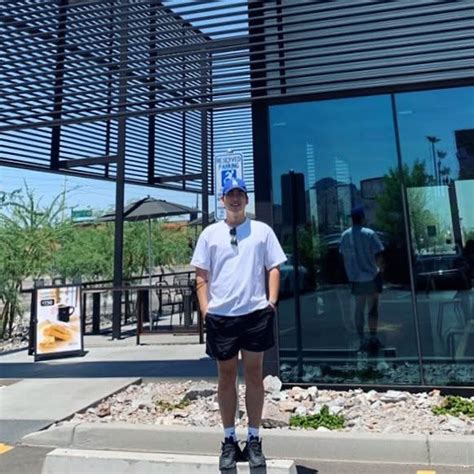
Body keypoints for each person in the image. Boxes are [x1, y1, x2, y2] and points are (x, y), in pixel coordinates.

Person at [191, 177, 286, 470]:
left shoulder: (262, 231)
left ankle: (254, 439)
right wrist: (206, 311)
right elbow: (201, 275)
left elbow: (273, 267)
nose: (235, 199)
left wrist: (271, 301)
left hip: (255, 314)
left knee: (255, 376)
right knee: (226, 377)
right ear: (222, 200)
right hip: (221, 317)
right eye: (230, 195)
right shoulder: (210, 234)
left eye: (240, 194)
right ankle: (229, 439)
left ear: (246, 199)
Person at [339, 205, 385, 354]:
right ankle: (373, 336)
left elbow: (343, 256)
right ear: (363, 218)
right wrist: (380, 270)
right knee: (373, 309)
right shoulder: (369, 233)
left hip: (356, 278)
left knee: (358, 310)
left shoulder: (345, 236)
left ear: (352, 219)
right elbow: (379, 254)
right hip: (371, 276)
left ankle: (361, 338)